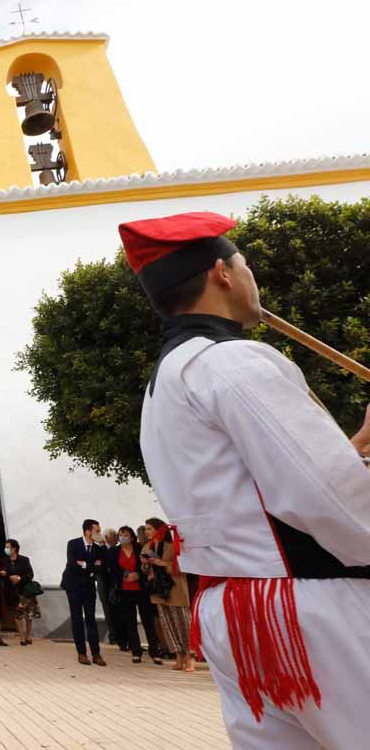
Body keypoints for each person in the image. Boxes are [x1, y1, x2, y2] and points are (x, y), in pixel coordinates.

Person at [120, 211, 370, 748]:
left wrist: (358, 448)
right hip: (309, 608)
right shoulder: (235, 360)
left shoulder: (165, 381)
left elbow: (256, 490)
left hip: (236, 609)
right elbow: (336, 503)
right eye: (247, 264)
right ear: (223, 274)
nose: (253, 277)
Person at [140, 518, 194, 672]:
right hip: (158, 591)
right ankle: (178, 656)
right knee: (168, 625)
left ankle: (190, 657)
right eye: (146, 529)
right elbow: (144, 570)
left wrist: (160, 563)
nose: (147, 532)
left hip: (176, 590)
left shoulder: (174, 546)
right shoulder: (146, 546)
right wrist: (146, 564)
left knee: (184, 624)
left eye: (149, 529)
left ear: (159, 530)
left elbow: (182, 568)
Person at [60, 518, 107, 666]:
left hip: (88, 587)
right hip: (73, 586)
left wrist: (86, 564)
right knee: (77, 619)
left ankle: (96, 653)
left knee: (91, 619)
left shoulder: (99, 548)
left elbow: (102, 567)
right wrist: (92, 566)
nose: (99, 534)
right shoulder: (73, 544)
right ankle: (81, 653)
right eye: (97, 531)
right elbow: (73, 565)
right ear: (88, 531)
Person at [110, 525, 155, 664]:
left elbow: (147, 565)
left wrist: (138, 575)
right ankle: (136, 651)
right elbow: (112, 569)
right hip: (124, 590)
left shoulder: (139, 548)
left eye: (125, 534)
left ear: (131, 536)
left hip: (141, 589)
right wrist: (125, 576)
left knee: (148, 620)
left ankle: (155, 650)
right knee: (130, 622)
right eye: (120, 534)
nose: (122, 537)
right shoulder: (115, 551)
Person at [2, 539, 39, 645]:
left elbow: (30, 574)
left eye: (8, 547)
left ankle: (28, 635)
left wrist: (19, 578)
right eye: (6, 547)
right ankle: (22, 636)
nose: (6, 549)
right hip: (12, 591)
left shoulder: (24, 560)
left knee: (28, 614)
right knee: (17, 614)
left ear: (14, 548)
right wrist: (7, 576)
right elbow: (3, 574)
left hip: (25, 590)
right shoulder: (4, 560)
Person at [97, 528, 120, 647]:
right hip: (104, 584)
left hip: (116, 584)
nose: (117, 537)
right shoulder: (100, 550)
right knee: (108, 610)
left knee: (118, 611)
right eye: (114, 535)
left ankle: (119, 635)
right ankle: (113, 636)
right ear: (107, 538)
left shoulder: (118, 549)